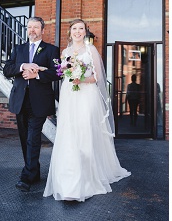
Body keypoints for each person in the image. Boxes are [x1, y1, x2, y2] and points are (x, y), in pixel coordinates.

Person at [44, 19, 131, 201]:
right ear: (70, 32)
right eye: (74, 29)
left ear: (85, 32)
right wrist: (67, 72)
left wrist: (81, 79)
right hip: (69, 95)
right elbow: (61, 73)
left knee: (85, 131)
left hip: (87, 95)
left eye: (81, 29)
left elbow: (97, 78)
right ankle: (70, 174)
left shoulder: (90, 50)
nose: (77, 32)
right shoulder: (65, 52)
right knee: (70, 132)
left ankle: (90, 174)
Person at [4, 17, 62, 192]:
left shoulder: (51, 50)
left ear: (42, 30)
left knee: (32, 138)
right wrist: (23, 66)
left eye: (36, 27)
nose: (32, 30)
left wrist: (37, 75)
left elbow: (58, 72)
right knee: (24, 139)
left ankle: (26, 177)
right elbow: (7, 70)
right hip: (20, 101)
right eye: (29, 27)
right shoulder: (18, 49)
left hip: (40, 102)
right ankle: (33, 171)